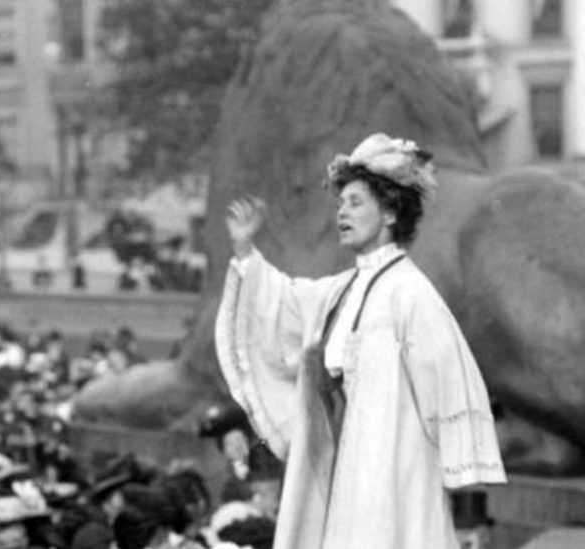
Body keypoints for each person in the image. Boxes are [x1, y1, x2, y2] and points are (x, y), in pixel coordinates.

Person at [215, 134, 506, 549]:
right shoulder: (343, 289)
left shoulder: (411, 294)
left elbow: (446, 376)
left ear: (389, 212)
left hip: (393, 471)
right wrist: (246, 251)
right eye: (340, 204)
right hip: (347, 464)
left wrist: (452, 462)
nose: (342, 213)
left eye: (355, 202)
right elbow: (286, 303)